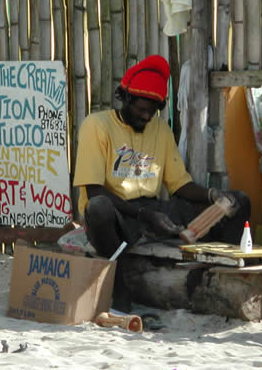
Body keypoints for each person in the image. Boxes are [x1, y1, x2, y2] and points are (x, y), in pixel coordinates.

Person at [73, 55, 251, 310]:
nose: (146, 117)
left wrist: (213, 195)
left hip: (152, 209)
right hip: (119, 214)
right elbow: (93, 190)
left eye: (152, 111)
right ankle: (119, 291)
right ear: (125, 98)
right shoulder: (97, 125)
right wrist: (144, 215)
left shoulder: (160, 129)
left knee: (239, 200)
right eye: (141, 109)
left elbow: (179, 185)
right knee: (97, 207)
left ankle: (225, 280)